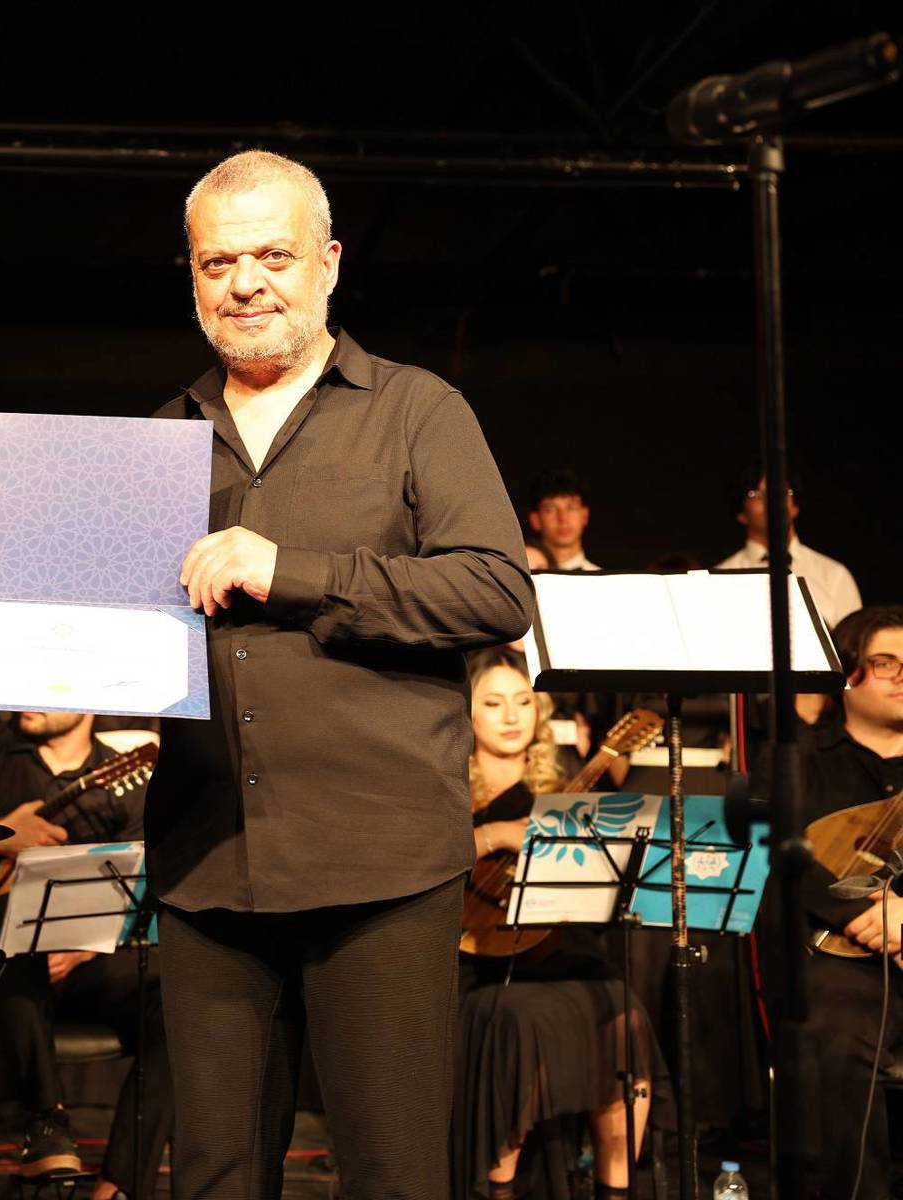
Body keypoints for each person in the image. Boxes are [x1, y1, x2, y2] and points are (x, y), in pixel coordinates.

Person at [133, 150, 535, 1197]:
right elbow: (101, 636)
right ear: (192, 276)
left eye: (273, 256)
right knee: (214, 1177)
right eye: (218, 262)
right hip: (208, 863)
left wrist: (293, 574)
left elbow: (497, 592)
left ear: (330, 263)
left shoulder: (416, 410)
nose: (245, 283)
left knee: (395, 1175)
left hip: (381, 868)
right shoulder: (158, 438)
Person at [458, 647, 668, 1200]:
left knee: (623, 1012)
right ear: (465, 712)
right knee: (520, 1021)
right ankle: (498, 1190)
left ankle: (615, 1190)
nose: (511, 716)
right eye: (493, 703)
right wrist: (495, 835)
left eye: (524, 701)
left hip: (562, 950)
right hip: (476, 959)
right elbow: (420, 859)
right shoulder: (445, 787)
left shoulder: (567, 786)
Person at [0, 711, 172, 1196]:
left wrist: (84, 947)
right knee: (12, 942)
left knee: (174, 1005)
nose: (30, 693)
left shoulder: (125, 780)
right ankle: (47, 1124)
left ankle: (120, 1183)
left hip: (84, 965)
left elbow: (145, 884)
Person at [753, 605, 903, 1199]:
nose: (901, 675)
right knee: (835, 1035)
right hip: (837, 961)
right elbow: (774, 851)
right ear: (847, 672)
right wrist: (864, 912)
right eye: (885, 662)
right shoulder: (795, 762)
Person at [715, 463, 862, 630]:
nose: (772, 500)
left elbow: (852, 641)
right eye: (756, 494)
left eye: (781, 491)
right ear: (741, 513)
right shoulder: (720, 579)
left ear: (795, 507)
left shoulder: (834, 575)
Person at [525, 468, 600, 571]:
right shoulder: (520, 578)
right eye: (550, 509)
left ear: (585, 515)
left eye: (571, 508)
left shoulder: (604, 580)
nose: (563, 518)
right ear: (535, 520)